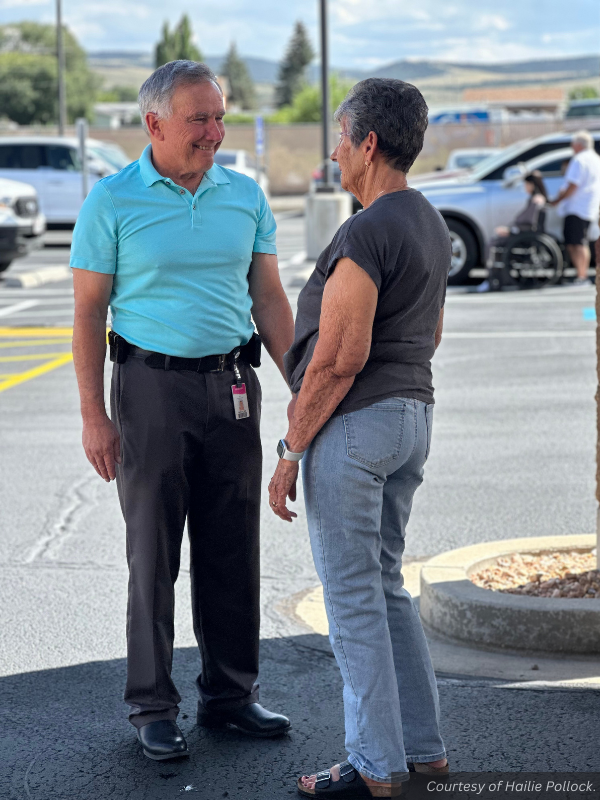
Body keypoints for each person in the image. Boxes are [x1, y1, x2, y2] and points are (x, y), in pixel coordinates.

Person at [70, 60, 295, 761]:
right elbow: (86, 313)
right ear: (155, 123)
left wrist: (307, 392)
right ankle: (152, 705)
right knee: (154, 553)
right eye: (200, 118)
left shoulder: (244, 196)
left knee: (233, 546)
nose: (215, 131)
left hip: (232, 384)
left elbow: (269, 300)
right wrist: (93, 416)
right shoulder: (112, 200)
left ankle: (230, 696)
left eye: (220, 116)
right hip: (149, 390)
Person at [268, 78, 450, 797]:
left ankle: (375, 767)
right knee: (385, 587)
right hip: (412, 419)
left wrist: (289, 452)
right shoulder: (428, 222)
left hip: (358, 429)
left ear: (368, 143)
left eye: (340, 138)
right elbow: (428, 334)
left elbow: (339, 356)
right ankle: (423, 751)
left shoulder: (366, 230)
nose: (335, 153)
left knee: (351, 601)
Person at [549, 130, 600, 286]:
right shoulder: (596, 159)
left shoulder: (579, 160)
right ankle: (582, 274)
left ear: (578, 144)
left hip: (576, 206)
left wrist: (558, 200)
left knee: (576, 243)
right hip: (589, 206)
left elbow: (573, 185)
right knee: (580, 241)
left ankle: (582, 275)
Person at [485, 170, 548, 291]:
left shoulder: (536, 200)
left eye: (526, 184)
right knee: (495, 241)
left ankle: (492, 278)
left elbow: (529, 223)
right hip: (523, 233)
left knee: (492, 243)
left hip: (523, 235)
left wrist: (510, 231)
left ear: (531, 184)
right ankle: (497, 278)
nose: (524, 187)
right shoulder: (537, 199)